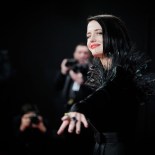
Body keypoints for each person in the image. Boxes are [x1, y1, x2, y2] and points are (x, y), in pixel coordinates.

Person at [57, 14, 155, 155]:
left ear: (114, 36)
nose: (92, 39)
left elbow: (104, 94)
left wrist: (77, 108)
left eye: (99, 33)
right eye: (88, 35)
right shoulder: (100, 73)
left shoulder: (123, 73)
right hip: (99, 148)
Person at [53, 43, 94, 155]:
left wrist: (83, 81)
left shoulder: (93, 71)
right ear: (74, 54)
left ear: (89, 55)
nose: (82, 55)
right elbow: (56, 87)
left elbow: (96, 93)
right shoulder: (69, 69)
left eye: (85, 53)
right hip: (65, 113)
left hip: (84, 117)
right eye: (79, 52)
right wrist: (63, 71)